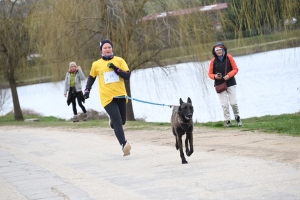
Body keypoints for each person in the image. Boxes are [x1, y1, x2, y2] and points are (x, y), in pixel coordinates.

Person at [83, 39, 132, 156]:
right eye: (105, 48)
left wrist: (116, 69)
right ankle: (123, 144)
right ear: (101, 50)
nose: (108, 49)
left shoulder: (119, 60)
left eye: (109, 47)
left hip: (120, 95)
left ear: (112, 48)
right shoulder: (96, 64)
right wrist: (87, 90)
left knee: (122, 121)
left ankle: (113, 122)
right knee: (118, 121)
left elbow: (127, 75)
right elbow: (91, 77)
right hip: (107, 98)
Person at [208, 42, 242, 127]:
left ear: (223, 50)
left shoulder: (229, 57)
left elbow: (235, 69)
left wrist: (229, 75)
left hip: (230, 82)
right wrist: (215, 76)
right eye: (217, 50)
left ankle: (237, 117)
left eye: (220, 50)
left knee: (233, 103)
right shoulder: (213, 61)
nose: (219, 51)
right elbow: (210, 74)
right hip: (219, 84)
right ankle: (228, 121)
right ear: (214, 51)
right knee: (224, 104)